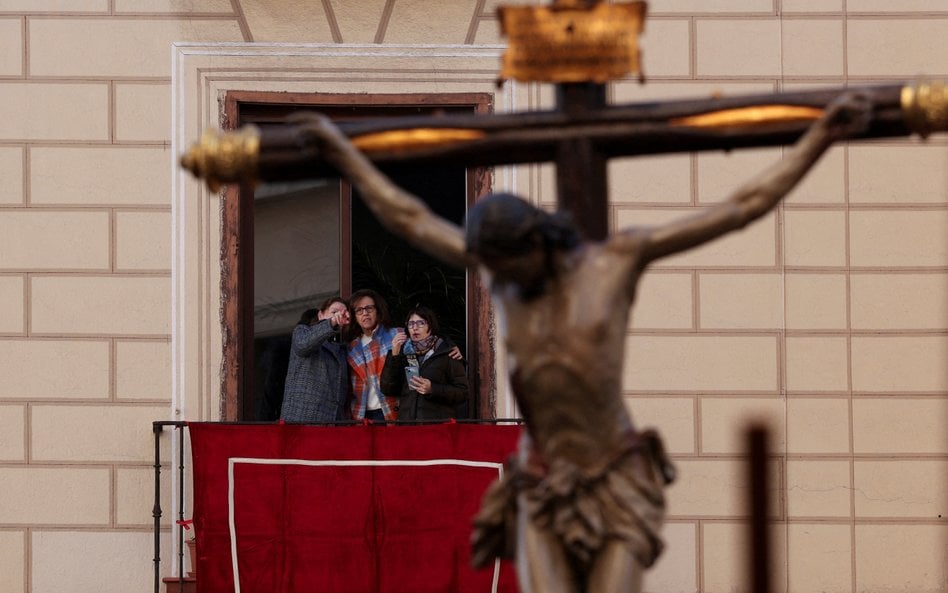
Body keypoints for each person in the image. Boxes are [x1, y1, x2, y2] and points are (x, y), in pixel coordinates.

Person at [288, 93, 871, 593]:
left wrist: (821, 134)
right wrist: (343, 152)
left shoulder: (613, 265)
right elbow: (410, 218)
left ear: (539, 243)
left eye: (514, 265)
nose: (506, 280)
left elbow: (740, 207)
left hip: (615, 471)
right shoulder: (506, 274)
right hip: (542, 477)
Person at [381, 305, 469, 421]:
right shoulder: (404, 353)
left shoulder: (447, 352)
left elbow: (463, 392)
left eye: (420, 323)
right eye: (411, 324)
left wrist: (432, 389)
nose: (415, 328)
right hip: (408, 426)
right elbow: (388, 389)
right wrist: (395, 354)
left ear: (430, 326)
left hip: (437, 427)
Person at [280, 298, 351, 423]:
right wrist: (332, 322)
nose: (338, 316)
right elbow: (303, 345)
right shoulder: (302, 331)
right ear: (320, 315)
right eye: (334, 312)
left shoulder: (342, 348)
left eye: (342, 313)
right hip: (302, 419)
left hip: (333, 422)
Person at [347, 289, 402, 422]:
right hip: (360, 414)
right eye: (359, 310)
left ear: (378, 310)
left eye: (369, 308)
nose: (365, 313)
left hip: (391, 410)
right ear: (354, 316)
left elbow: (424, 344)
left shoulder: (396, 334)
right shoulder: (351, 347)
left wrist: (447, 344)